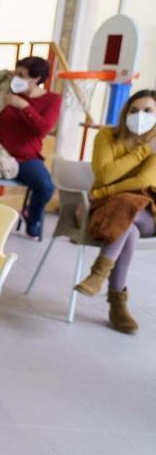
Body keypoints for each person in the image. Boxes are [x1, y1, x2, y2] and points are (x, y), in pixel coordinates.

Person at [72, 89, 156, 334]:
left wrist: (102, 192)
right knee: (127, 228)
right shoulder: (107, 136)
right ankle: (117, 304)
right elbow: (104, 174)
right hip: (109, 211)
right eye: (134, 110)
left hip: (147, 210)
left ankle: (98, 275)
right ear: (125, 112)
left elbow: (145, 179)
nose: (140, 115)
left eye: (148, 111)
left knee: (129, 204)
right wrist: (143, 151)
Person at [0, 56, 61, 238]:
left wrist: (24, 107)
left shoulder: (52, 100)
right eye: (15, 73)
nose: (16, 78)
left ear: (37, 79)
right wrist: (1, 75)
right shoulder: (5, 93)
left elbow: (42, 129)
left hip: (27, 158)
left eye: (21, 75)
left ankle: (32, 218)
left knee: (45, 186)